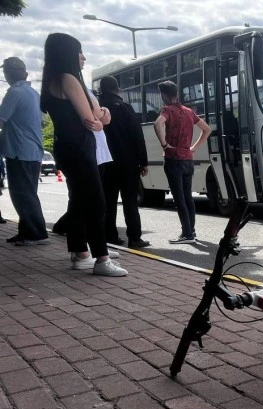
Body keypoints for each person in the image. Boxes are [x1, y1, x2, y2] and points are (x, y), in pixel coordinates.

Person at [40, 33, 127, 277]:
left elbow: (95, 118)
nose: (84, 57)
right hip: (80, 147)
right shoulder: (69, 78)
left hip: (67, 147)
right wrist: (101, 114)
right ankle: (102, 259)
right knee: (95, 201)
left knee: (78, 200)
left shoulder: (52, 80)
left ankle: (81, 253)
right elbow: (91, 119)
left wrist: (100, 115)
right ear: (68, 53)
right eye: (79, 52)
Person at [153, 80, 211, 244]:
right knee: (188, 197)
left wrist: (164, 144)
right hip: (188, 159)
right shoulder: (188, 111)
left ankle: (186, 234)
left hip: (173, 159)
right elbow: (207, 129)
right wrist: (194, 147)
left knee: (179, 198)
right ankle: (191, 231)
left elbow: (157, 124)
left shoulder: (167, 110)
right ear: (176, 94)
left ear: (164, 95)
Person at [0, 57, 50, 246]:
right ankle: (26, 231)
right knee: (28, 193)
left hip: (19, 152)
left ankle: (36, 234)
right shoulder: (32, 93)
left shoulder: (14, 93)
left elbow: (1, 120)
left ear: (10, 74)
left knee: (22, 194)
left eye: (6, 72)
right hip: (32, 152)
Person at [99, 75, 150, 249]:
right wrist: (143, 161)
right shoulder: (126, 108)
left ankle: (110, 235)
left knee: (108, 200)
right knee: (130, 202)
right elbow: (138, 136)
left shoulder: (96, 108)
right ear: (118, 89)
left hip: (105, 162)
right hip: (128, 163)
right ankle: (134, 238)